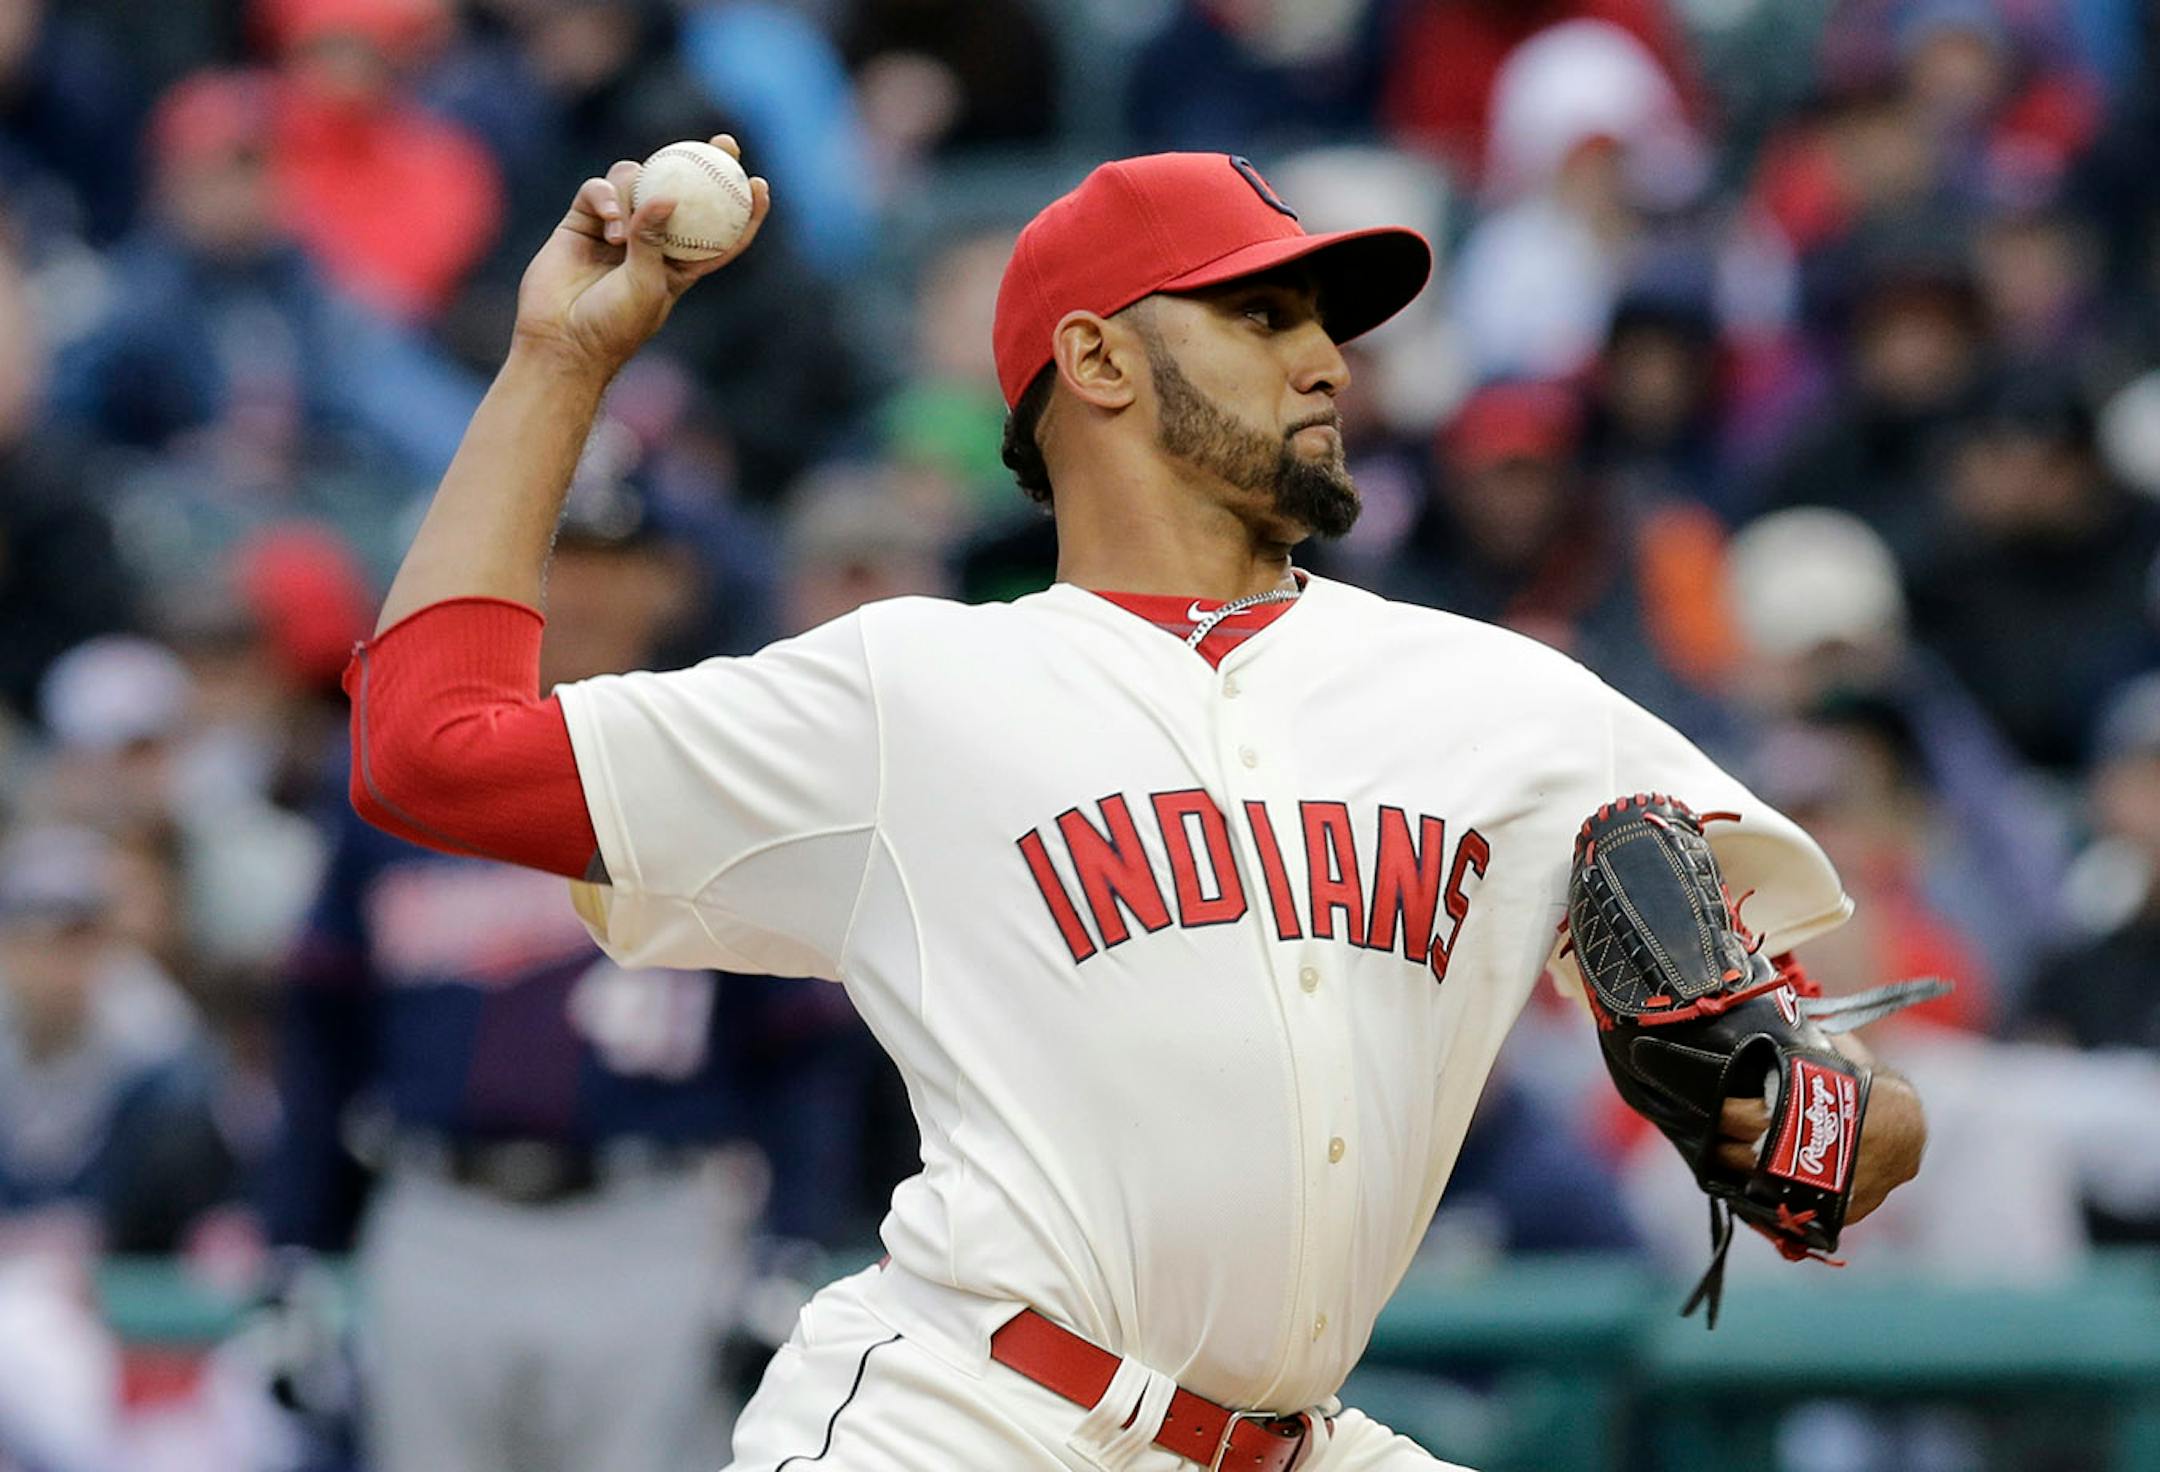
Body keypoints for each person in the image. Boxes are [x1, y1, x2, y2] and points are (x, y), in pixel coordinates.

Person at [342, 141, 1930, 1469]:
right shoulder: (909, 693)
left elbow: (1847, 1106)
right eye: (1259, 312)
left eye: (1325, 320)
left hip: (1298, 1439)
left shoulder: (1514, 705)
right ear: (1095, 357)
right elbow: (429, 752)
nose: (1324, 357)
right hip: (965, 1418)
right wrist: (564, 358)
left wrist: (1804, 1111)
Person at [266, 474, 764, 1472]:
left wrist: (794, 1229)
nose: (577, 593)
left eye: (606, 564)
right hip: (437, 1209)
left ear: (665, 583)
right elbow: (323, 1022)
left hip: (647, 1215)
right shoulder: (400, 766)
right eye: (554, 561)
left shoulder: (722, 759)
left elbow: (799, 1035)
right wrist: (297, 1241)